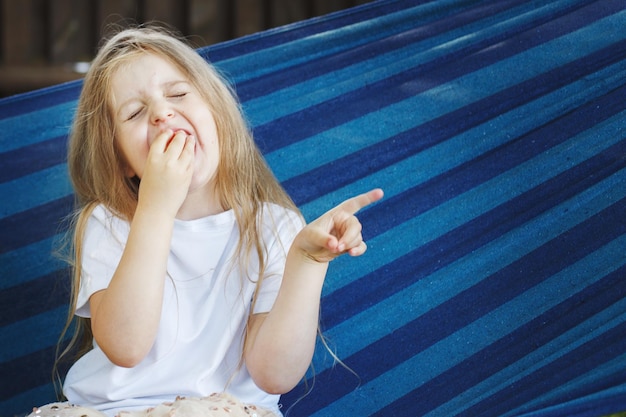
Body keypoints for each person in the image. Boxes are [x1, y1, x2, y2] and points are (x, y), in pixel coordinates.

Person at [38, 25, 383, 417]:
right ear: (120, 160)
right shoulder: (109, 222)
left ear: (217, 112)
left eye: (178, 94)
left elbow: (274, 375)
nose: (161, 113)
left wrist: (307, 261)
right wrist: (155, 208)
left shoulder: (276, 227)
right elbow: (125, 345)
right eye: (135, 113)